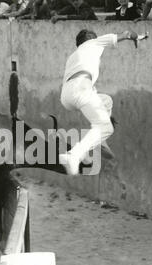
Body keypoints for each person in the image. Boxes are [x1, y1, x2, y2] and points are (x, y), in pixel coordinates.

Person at [58, 29, 146, 176]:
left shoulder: (73, 56)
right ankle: (74, 155)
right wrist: (137, 36)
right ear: (90, 39)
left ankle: (96, 141)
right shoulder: (94, 43)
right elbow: (126, 34)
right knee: (106, 128)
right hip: (81, 89)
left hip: (67, 96)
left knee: (106, 101)